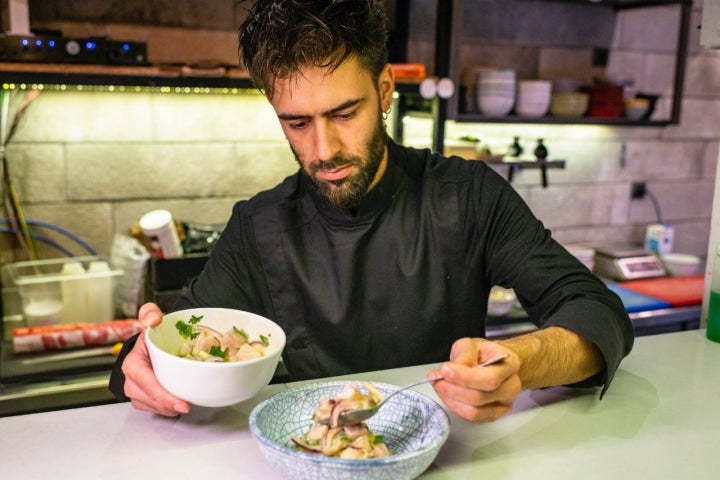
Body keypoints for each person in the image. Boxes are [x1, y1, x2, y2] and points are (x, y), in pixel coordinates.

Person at [109, 0, 634, 422]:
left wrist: (519, 364)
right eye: (296, 123)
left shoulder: (467, 196)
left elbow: (596, 312)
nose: (323, 150)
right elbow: (156, 351)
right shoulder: (258, 227)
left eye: (344, 113)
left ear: (384, 90)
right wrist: (141, 362)